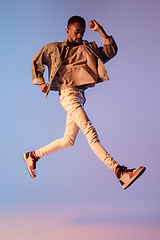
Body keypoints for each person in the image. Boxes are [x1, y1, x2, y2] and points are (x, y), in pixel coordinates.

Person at [23, 16, 146, 190]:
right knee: (90, 132)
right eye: (76, 32)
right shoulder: (55, 48)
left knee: (68, 140)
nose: (80, 35)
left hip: (79, 95)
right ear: (67, 30)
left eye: (82, 32)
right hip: (68, 95)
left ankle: (33, 156)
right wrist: (41, 82)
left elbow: (111, 51)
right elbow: (36, 60)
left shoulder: (88, 49)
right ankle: (120, 173)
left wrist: (100, 30)